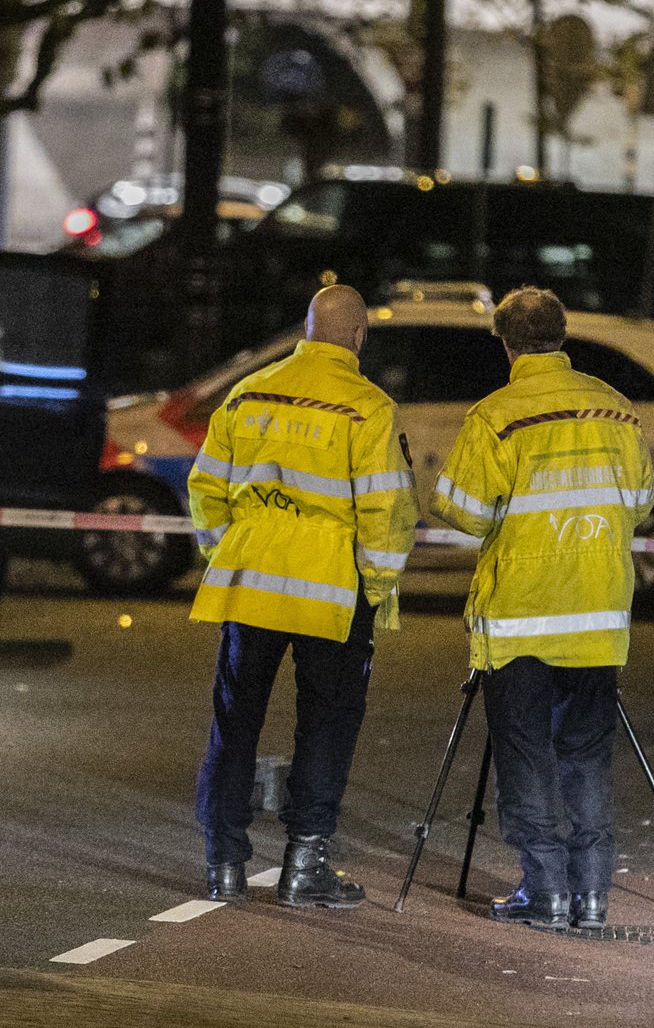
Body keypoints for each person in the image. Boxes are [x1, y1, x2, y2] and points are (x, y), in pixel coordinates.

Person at [432, 286, 654, 931]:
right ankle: (591, 895)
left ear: (506, 345)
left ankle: (546, 890)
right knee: (586, 753)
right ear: (563, 336)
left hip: (521, 618)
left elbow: (465, 511)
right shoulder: (616, 410)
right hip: (597, 615)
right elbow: (640, 503)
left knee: (525, 752)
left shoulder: (497, 416)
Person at [188, 283, 417, 907]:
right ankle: (304, 866)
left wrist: (232, 552)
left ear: (307, 330)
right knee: (325, 726)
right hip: (331, 592)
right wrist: (376, 587)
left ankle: (223, 865)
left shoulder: (249, 392)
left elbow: (205, 488)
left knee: (235, 722)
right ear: (358, 336)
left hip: (251, 585)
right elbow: (387, 512)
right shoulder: (368, 408)